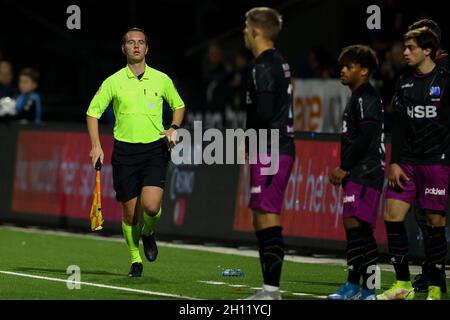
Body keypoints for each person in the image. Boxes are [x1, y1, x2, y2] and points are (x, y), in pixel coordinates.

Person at [86, 27, 185, 277]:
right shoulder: (113, 81)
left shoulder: (161, 79)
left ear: (147, 48)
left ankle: (148, 233)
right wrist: (96, 145)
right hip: (125, 152)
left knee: (151, 207)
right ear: (124, 48)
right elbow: (92, 113)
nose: (136, 46)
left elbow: (179, 105)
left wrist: (173, 127)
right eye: (131, 43)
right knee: (130, 212)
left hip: (154, 150)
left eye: (141, 43)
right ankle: (135, 258)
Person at [377, 27, 449, 300]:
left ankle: (434, 286)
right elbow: (400, 125)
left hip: (436, 162)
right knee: (392, 217)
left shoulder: (445, 79)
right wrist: (394, 162)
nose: (405, 53)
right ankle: (402, 284)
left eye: (411, 48)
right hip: (406, 162)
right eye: (404, 47)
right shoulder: (404, 81)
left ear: (427, 50)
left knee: (434, 223)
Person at [242, 7, 295, 300]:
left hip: (271, 149)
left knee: (268, 215)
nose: (244, 32)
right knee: (262, 214)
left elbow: (261, 112)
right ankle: (269, 287)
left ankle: (272, 290)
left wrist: (248, 139)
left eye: (246, 26)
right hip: (275, 146)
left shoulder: (262, 66)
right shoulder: (279, 61)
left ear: (256, 31)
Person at [327, 45, 384, 300]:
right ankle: (352, 285)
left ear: (364, 70)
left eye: (349, 66)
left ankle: (369, 288)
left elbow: (367, 136)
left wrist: (344, 166)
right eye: (343, 65)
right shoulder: (357, 96)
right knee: (353, 226)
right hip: (358, 172)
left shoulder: (366, 97)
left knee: (361, 228)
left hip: (366, 171)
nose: (343, 70)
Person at [405, 19, 448, 294]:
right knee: (425, 218)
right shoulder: (415, 74)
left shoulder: (444, 70)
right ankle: (431, 272)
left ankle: (435, 274)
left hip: (439, 156)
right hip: (423, 156)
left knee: (433, 218)